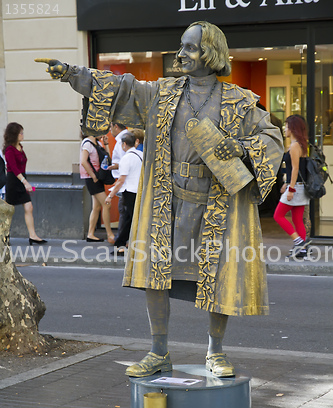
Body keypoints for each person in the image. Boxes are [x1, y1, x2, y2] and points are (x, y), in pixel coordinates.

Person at [36, 21, 283, 378]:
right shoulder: (162, 94)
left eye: (190, 48)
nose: (181, 54)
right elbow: (122, 88)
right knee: (155, 274)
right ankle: (158, 351)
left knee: (219, 273)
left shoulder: (239, 102)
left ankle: (215, 352)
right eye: (181, 46)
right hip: (167, 200)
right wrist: (73, 74)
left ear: (210, 54)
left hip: (215, 202)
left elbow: (271, 137)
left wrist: (242, 147)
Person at [3, 122, 47, 245]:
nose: (22, 135)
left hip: (21, 179)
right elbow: (14, 168)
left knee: (29, 207)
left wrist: (24, 181)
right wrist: (25, 182)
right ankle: (4, 236)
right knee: (9, 211)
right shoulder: (9, 150)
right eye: (20, 133)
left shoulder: (20, 147)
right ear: (14, 135)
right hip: (13, 181)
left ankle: (33, 235)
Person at [273, 114, 311, 258]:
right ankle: (302, 250)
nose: (285, 128)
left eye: (287, 125)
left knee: (278, 215)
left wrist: (291, 188)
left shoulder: (295, 146)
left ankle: (298, 242)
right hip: (299, 187)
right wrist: (288, 184)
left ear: (293, 128)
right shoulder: (300, 145)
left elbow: (295, 169)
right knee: (296, 219)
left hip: (296, 188)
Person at [106, 132, 143, 255]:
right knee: (132, 219)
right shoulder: (141, 155)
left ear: (124, 144)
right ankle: (124, 244)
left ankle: (121, 246)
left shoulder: (126, 158)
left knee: (129, 220)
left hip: (129, 192)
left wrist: (110, 196)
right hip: (139, 191)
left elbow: (121, 180)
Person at [80, 133, 115, 243]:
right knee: (106, 204)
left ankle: (90, 234)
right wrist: (93, 176)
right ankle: (110, 234)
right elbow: (83, 161)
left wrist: (106, 144)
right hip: (92, 178)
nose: (104, 133)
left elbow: (107, 158)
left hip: (97, 177)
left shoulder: (97, 143)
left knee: (97, 207)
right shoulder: (87, 144)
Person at [108, 122, 128, 245]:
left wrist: (115, 166)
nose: (110, 130)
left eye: (111, 127)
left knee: (123, 210)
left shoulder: (122, 139)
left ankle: (121, 241)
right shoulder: (123, 138)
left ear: (116, 126)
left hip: (123, 182)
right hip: (123, 181)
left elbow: (124, 163)